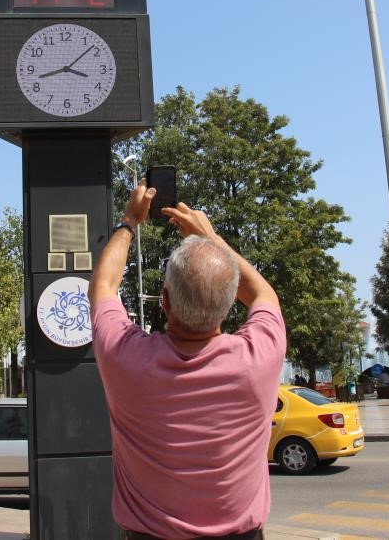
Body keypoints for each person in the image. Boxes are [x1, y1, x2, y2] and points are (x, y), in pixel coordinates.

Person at [89, 181, 285, 540]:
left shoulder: (126, 358)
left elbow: (103, 287)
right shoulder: (259, 357)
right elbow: (262, 293)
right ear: (230, 303)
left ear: (165, 301)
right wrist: (211, 237)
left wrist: (129, 222)